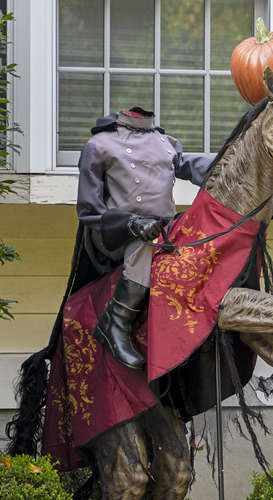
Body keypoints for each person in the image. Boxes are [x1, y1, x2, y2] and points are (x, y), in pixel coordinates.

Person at [77, 107, 210, 370]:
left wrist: (232, 166)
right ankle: (116, 322)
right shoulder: (98, 145)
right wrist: (131, 224)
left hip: (161, 228)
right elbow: (89, 211)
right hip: (115, 234)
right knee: (144, 242)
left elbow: (191, 165)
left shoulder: (166, 142)